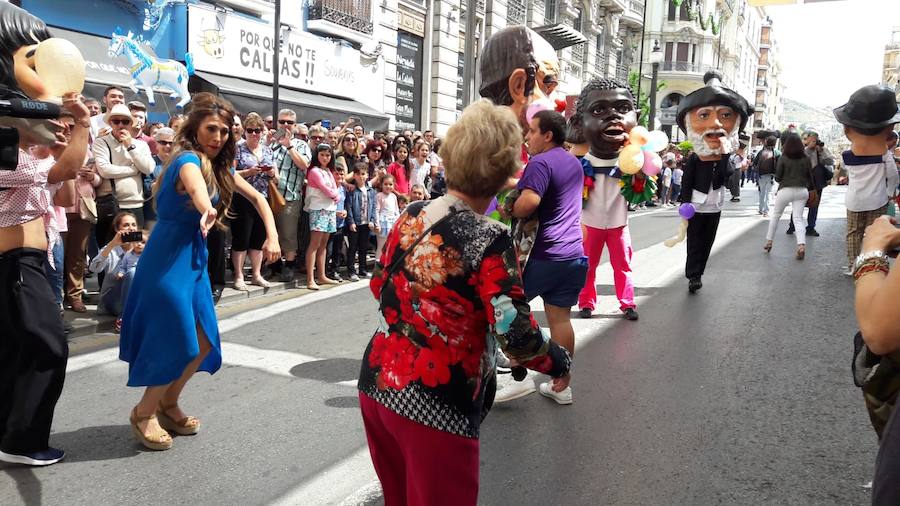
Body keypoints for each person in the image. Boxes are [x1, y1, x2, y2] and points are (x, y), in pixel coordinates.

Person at [357, 100, 571, 505]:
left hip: (378, 380)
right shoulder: (489, 237)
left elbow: (378, 283)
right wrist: (557, 361)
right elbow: (515, 335)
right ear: (506, 172)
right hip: (437, 401)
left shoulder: (412, 213)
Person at [119, 93, 280, 451]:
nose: (219, 136)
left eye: (225, 131)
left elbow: (258, 198)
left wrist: (271, 234)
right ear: (195, 127)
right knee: (179, 339)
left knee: (205, 340)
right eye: (212, 128)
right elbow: (196, 188)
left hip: (193, 258)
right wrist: (207, 208)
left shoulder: (220, 167)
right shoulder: (188, 160)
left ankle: (168, 401)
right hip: (166, 258)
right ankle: (143, 411)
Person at [0, 1, 93, 467]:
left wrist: (82, 123)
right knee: (46, 345)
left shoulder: (26, 134)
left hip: (34, 260)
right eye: (30, 58)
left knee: (19, 348)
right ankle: (21, 441)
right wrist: (57, 113)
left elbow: (64, 170)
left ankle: (12, 433)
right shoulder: (10, 128)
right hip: (14, 263)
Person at [500, 110, 585, 406]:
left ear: (548, 135)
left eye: (532, 131)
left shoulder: (540, 162)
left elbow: (529, 203)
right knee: (560, 320)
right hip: (573, 256)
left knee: (506, 313)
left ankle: (513, 379)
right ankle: (561, 385)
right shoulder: (572, 161)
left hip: (541, 254)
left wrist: (510, 206)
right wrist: (516, 183)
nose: (527, 137)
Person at [676, 71, 753, 293]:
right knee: (694, 242)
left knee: (707, 242)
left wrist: (726, 155)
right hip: (696, 205)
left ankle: (699, 273)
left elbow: (726, 177)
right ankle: (692, 275)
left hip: (715, 205)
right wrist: (684, 203)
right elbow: (688, 181)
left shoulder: (723, 158)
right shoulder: (694, 158)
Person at [575, 78, 642, 320]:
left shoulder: (631, 162)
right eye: (599, 110)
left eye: (623, 109)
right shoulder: (581, 164)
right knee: (587, 266)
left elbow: (640, 190)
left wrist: (641, 176)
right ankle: (586, 301)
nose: (613, 117)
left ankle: (627, 302)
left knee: (623, 265)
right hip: (589, 223)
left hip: (618, 223)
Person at [834, 85, 900, 277]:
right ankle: (875, 267)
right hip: (877, 200)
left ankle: (853, 266)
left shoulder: (847, 156)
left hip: (855, 200)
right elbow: (893, 176)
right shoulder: (884, 155)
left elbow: (845, 170)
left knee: (853, 234)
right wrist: (890, 192)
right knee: (875, 234)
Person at [93, 103, 155, 246]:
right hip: (112, 205)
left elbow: (148, 168)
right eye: (116, 121)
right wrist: (133, 170)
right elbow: (105, 170)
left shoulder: (140, 145)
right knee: (110, 249)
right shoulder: (101, 142)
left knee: (132, 248)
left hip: (135, 206)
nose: (121, 125)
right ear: (110, 123)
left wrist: (130, 146)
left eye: (125, 121)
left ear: (130, 124)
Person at [231, 112, 277, 291]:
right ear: (245, 132)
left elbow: (275, 176)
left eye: (257, 130)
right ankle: (239, 275)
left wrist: (270, 172)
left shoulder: (267, 150)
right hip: (242, 198)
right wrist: (249, 172)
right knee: (241, 238)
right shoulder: (238, 148)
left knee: (258, 238)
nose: (254, 134)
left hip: (262, 197)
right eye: (250, 130)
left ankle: (256, 274)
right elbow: (231, 173)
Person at [271, 108, 311, 282]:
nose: (285, 125)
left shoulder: (301, 145)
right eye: (282, 122)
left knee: (288, 234)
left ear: (295, 125)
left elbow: (304, 165)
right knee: (271, 232)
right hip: (269, 195)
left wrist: (289, 146)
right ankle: (273, 264)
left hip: (290, 196)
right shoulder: (271, 143)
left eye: (289, 122)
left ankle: (289, 264)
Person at [763, 133, 814, 260]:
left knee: (776, 216)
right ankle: (801, 245)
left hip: (785, 189)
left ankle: (769, 242)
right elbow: (810, 176)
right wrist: (812, 189)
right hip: (802, 190)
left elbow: (778, 177)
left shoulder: (783, 158)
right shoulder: (806, 158)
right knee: (798, 218)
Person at [89, 212, 141, 321]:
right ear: (117, 229)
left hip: (135, 297)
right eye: (126, 225)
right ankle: (123, 318)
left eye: (133, 225)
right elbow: (94, 268)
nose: (131, 228)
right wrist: (112, 244)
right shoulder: (111, 250)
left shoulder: (142, 249)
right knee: (131, 272)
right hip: (114, 298)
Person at [304, 143, 340, 290]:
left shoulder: (328, 171)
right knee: (314, 244)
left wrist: (335, 195)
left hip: (329, 209)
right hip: (318, 209)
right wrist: (335, 196)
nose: (325, 158)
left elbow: (333, 187)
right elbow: (326, 188)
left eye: (328, 155)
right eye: (322, 154)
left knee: (324, 244)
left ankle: (322, 275)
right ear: (317, 156)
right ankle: (310, 279)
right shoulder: (314, 171)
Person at [345, 163, 377, 282]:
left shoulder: (371, 191)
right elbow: (349, 207)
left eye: (363, 174)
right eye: (358, 174)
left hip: (366, 223)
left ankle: (362, 269)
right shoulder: (352, 190)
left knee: (363, 247)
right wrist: (351, 222)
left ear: (367, 175)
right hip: (355, 223)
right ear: (354, 176)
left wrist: (372, 220)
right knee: (353, 247)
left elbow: (373, 206)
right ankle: (351, 271)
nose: (361, 177)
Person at [326, 163, 349, 282]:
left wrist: (344, 211)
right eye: (337, 174)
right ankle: (324, 270)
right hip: (330, 223)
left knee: (337, 249)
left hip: (340, 224)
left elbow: (345, 204)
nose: (339, 176)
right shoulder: (329, 187)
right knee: (328, 249)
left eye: (341, 174)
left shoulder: (343, 189)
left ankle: (335, 270)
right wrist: (335, 213)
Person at [754, 135, 779, 217]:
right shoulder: (777, 152)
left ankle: (760, 209)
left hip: (761, 175)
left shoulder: (761, 152)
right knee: (769, 193)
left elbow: (755, 163)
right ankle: (766, 211)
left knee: (762, 193)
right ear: (775, 143)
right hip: (771, 176)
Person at [375, 175, 399, 256]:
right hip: (383, 223)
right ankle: (378, 263)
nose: (388, 186)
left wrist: (398, 223)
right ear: (381, 185)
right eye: (385, 184)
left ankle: (387, 264)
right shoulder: (379, 196)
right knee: (381, 245)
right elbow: (376, 210)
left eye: (390, 184)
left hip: (393, 223)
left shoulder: (394, 196)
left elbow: (396, 211)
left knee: (390, 246)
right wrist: (377, 224)